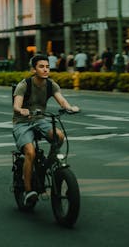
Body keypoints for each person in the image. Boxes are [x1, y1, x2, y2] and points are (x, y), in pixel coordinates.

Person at [12, 54, 79, 207]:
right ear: (33, 69)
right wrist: (21, 110)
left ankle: (45, 166)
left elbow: (62, 101)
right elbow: (16, 105)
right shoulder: (24, 84)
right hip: (22, 122)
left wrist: (69, 108)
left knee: (59, 136)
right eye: (41, 66)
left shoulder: (51, 85)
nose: (45, 69)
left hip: (41, 119)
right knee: (30, 152)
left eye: (47, 66)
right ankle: (29, 191)